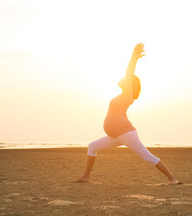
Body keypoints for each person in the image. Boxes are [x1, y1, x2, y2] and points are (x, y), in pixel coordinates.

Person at [72, 43, 182, 185]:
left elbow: (128, 72)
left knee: (147, 156)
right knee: (92, 147)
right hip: (116, 135)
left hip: (126, 134)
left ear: (129, 83)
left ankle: (173, 179)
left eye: (126, 79)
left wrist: (134, 57)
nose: (122, 78)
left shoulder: (127, 95)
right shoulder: (121, 96)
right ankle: (85, 177)